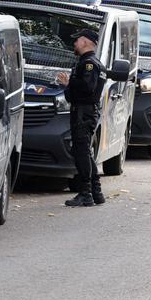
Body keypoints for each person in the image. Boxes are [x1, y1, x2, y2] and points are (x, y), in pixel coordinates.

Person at [56, 29, 106, 207]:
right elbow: (72, 96)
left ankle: (86, 193)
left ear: (85, 42)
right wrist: (67, 86)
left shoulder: (89, 64)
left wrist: (70, 83)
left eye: (77, 41)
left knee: (81, 153)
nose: (74, 44)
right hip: (83, 111)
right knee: (84, 152)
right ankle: (96, 191)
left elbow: (87, 88)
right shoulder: (86, 63)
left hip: (83, 113)